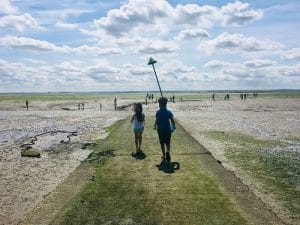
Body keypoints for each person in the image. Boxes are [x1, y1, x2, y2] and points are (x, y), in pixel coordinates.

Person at [154, 97, 175, 162]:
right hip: (168, 129)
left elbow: (157, 120)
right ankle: (168, 151)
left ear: (160, 104)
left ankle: (164, 155)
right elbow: (172, 121)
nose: (158, 105)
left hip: (160, 130)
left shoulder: (158, 112)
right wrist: (173, 127)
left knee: (162, 143)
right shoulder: (169, 112)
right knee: (168, 142)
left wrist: (154, 125)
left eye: (159, 104)